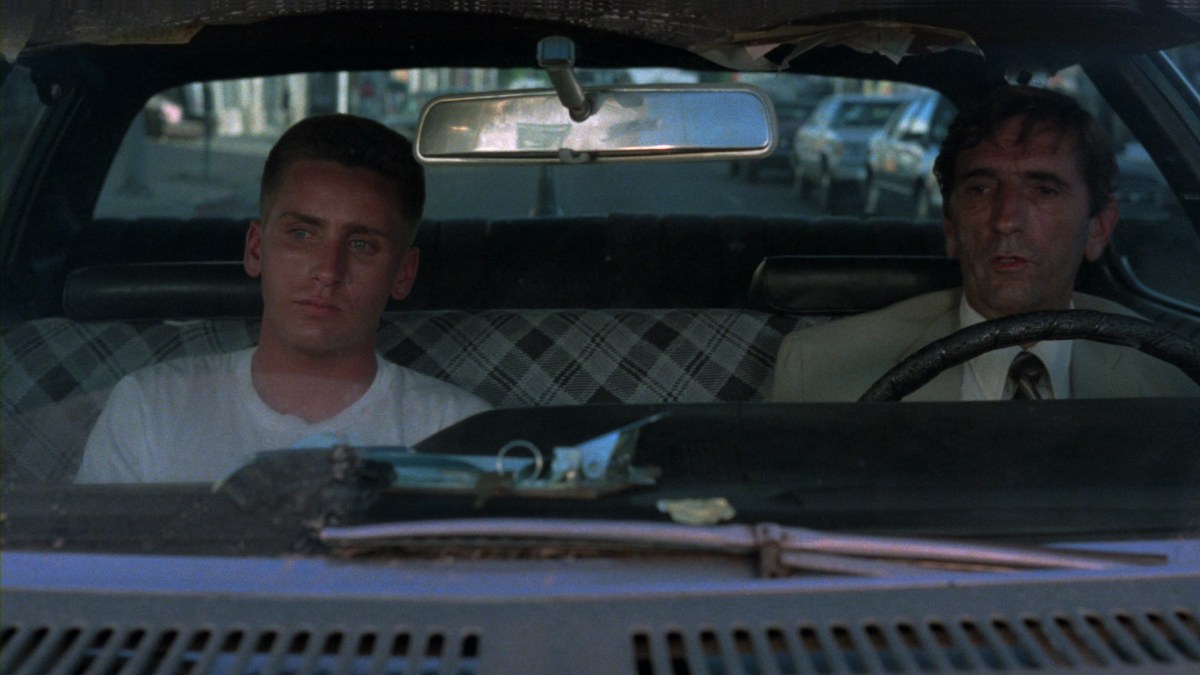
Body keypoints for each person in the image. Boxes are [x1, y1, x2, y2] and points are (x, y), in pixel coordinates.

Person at [77, 115, 491, 482]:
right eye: (301, 234)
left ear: (403, 273)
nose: (328, 270)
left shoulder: (459, 433)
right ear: (256, 249)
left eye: (362, 245)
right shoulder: (150, 408)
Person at [769, 85, 1200, 401]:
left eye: (1044, 190)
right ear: (951, 226)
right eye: (980, 189)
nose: (1006, 219)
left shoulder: (1169, 375)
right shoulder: (821, 371)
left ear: (1099, 227)